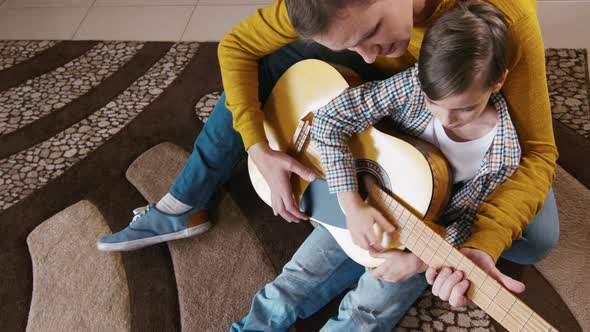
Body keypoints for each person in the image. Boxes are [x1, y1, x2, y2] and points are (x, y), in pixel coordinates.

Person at [97, 0, 559, 309]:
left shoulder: (503, 15)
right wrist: (258, 150)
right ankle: (184, 202)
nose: (369, 54)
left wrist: (481, 242)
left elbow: (538, 152)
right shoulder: (326, 5)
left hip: (450, 86)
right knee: (271, 62)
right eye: (351, 43)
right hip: (396, 94)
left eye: (374, 30)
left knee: (534, 239)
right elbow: (237, 46)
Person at [231, 2, 522, 330]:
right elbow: (329, 121)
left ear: (497, 82)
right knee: (292, 283)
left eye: (465, 109)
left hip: (419, 237)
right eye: (433, 104)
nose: (447, 119)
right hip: (361, 201)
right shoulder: (414, 84)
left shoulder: (503, 154)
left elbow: (469, 221)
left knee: (364, 314)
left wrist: (417, 261)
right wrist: (352, 203)